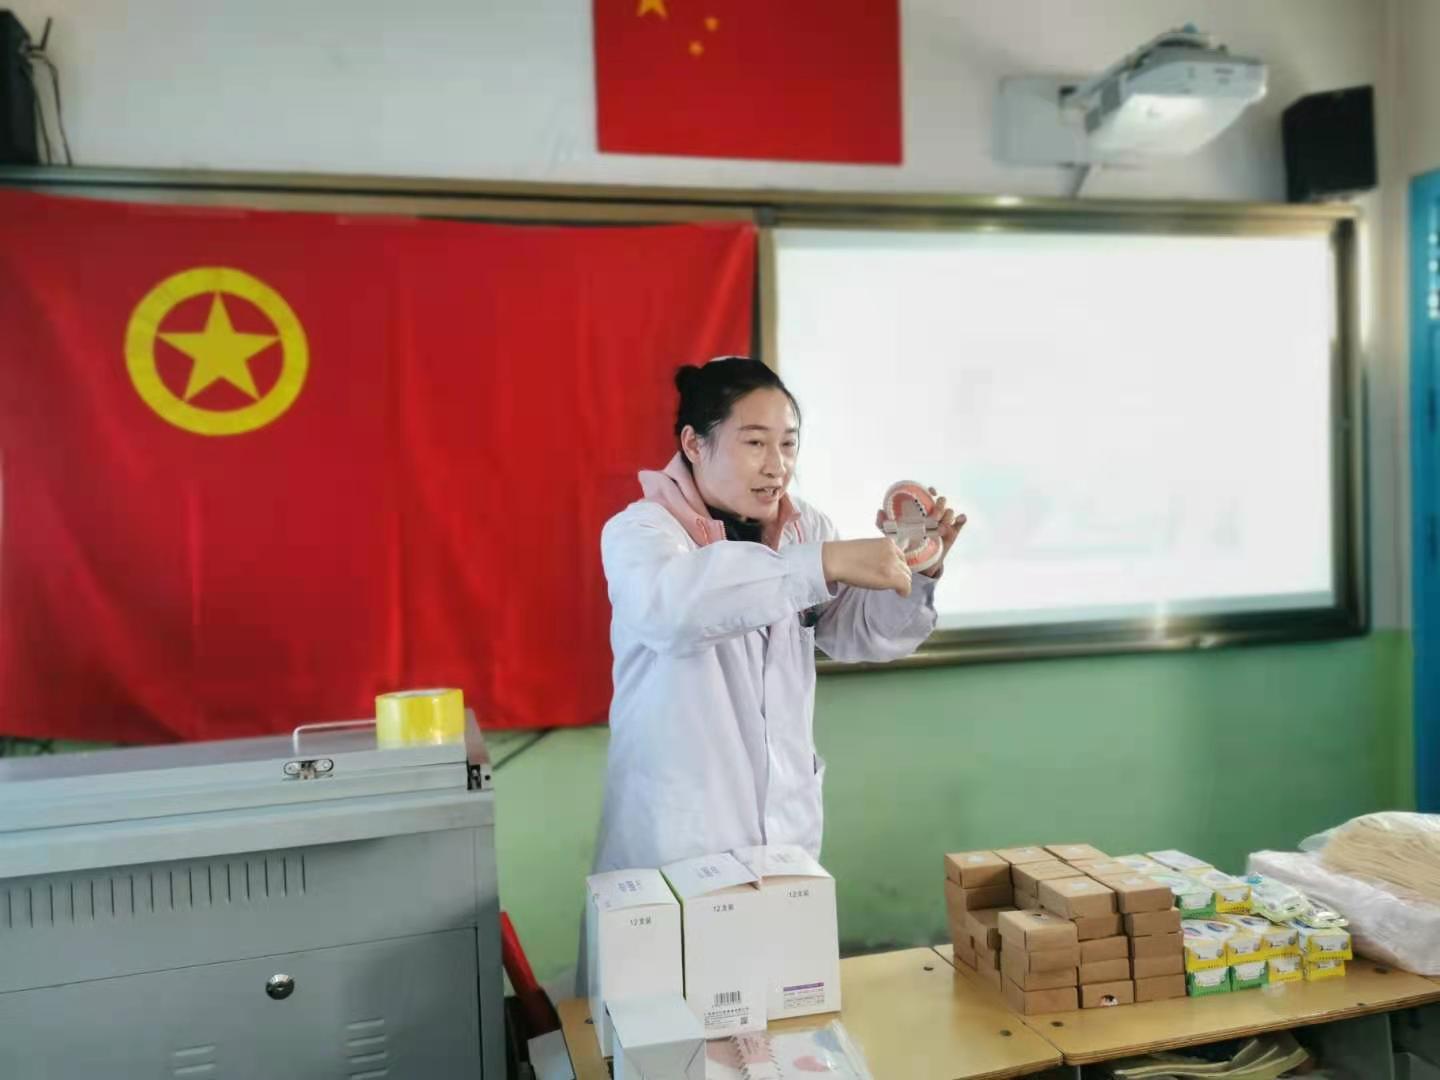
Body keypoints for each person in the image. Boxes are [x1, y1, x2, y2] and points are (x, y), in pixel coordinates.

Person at [591, 356, 964, 876]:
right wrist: (822, 563)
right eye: (755, 443)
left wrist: (918, 568)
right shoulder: (641, 533)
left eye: (788, 444)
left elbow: (859, 634)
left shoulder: (806, 527)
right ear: (694, 444)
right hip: (680, 842)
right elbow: (673, 610)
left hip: (786, 834)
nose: (777, 466)